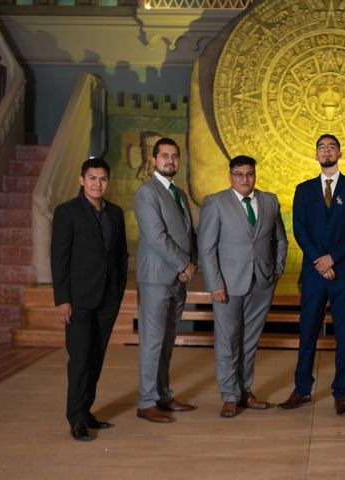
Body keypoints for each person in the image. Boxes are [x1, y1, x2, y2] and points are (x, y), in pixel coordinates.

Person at [278, 134, 345, 416]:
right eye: (321, 147)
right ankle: (302, 389)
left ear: (340, 153)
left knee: (343, 334)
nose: (326, 151)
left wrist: (333, 258)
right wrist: (320, 261)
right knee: (308, 332)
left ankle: (341, 393)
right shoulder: (303, 189)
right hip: (314, 272)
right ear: (315, 154)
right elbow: (299, 230)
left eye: (331, 147)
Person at [198, 155, 288, 418]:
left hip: (261, 283)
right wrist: (214, 283)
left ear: (255, 175)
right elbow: (206, 248)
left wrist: (277, 269)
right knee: (227, 341)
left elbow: (280, 240)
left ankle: (245, 391)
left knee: (249, 342)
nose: (244, 179)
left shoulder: (269, 201)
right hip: (227, 285)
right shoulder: (215, 202)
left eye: (249, 174)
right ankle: (229, 396)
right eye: (238, 174)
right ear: (229, 175)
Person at [51, 158, 128, 441]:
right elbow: (59, 259)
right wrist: (63, 299)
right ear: (82, 179)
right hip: (79, 298)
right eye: (92, 178)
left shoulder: (115, 213)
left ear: (109, 181)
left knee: (96, 358)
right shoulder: (67, 212)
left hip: (108, 297)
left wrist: (118, 290)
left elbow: (120, 255)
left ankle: (86, 411)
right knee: (80, 359)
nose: (98, 184)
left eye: (103, 179)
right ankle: (76, 419)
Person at [134, 137, 198, 423]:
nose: (170, 160)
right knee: (152, 341)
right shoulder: (146, 193)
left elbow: (188, 233)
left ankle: (162, 395)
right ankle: (146, 402)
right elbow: (156, 236)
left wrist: (190, 265)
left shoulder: (180, 194)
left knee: (167, 341)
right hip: (156, 278)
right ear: (154, 160)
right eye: (164, 156)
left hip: (177, 278)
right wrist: (185, 263)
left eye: (174, 156)